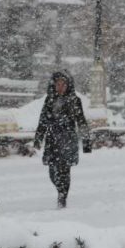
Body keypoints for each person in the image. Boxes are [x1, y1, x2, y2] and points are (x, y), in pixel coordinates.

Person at [34, 71, 91, 208]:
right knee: (53, 172)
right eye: (57, 84)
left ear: (68, 85)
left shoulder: (75, 101)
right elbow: (43, 121)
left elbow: (81, 121)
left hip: (67, 139)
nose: (60, 87)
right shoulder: (49, 100)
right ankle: (60, 189)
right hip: (52, 140)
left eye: (63, 84)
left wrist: (86, 142)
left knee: (64, 171)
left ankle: (62, 196)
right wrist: (38, 138)